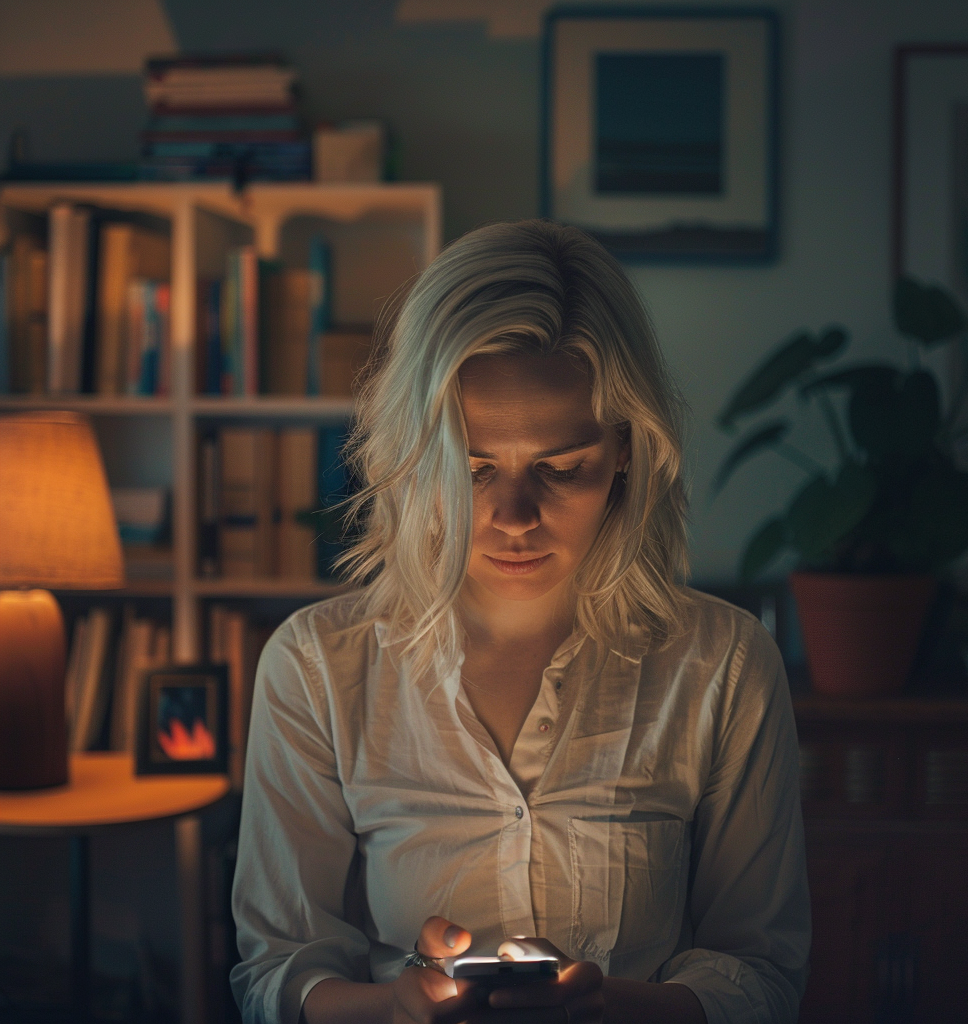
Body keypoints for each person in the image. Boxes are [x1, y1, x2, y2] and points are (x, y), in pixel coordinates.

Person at [230, 220, 810, 1024]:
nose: (513, 517)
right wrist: (394, 1008)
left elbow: (762, 972)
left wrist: (617, 1010)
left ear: (627, 453)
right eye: (470, 470)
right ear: (413, 458)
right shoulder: (317, 667)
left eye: (560, 468)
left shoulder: (723, 666)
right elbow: (278, 969)